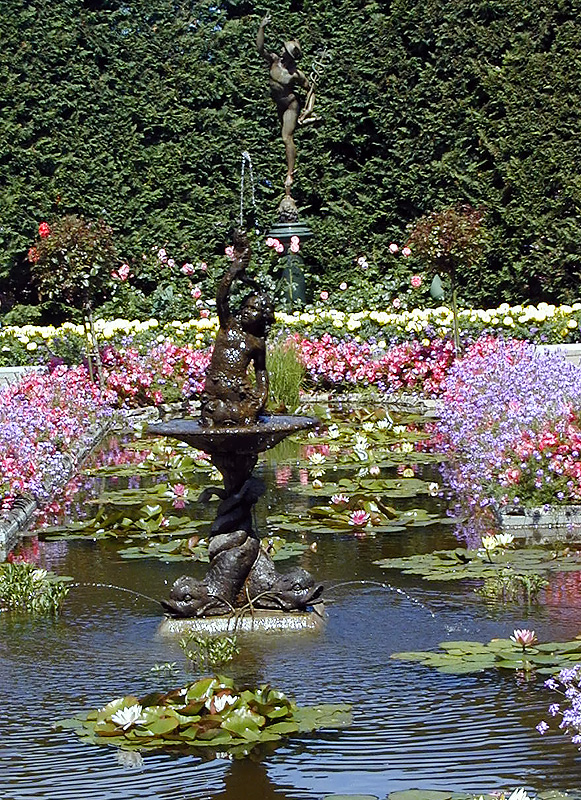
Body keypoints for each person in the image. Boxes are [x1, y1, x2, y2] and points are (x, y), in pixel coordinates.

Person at [200, 231, 275, 427]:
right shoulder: (228, 325)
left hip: (239, 396)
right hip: (215, 394)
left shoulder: (257, 343)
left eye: (255, 310)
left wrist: (261, 397)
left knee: (243, 420)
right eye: (246, 307)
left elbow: (261, 372)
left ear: (264, 317)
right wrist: (235, 269)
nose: (247, 312)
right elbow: (221, 297)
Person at [257, 13, 318, 192]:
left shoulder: (296, 74)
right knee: (284, 136)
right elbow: (260, 48)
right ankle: (305, 121)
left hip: (291, 105)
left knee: (286, 137)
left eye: (285, 49)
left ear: (291, 55)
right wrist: (262, 27)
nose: (281, 50)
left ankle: (290, 173)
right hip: (279, 105)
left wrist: (309, 108)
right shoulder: (274, 61)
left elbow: (311, 90)